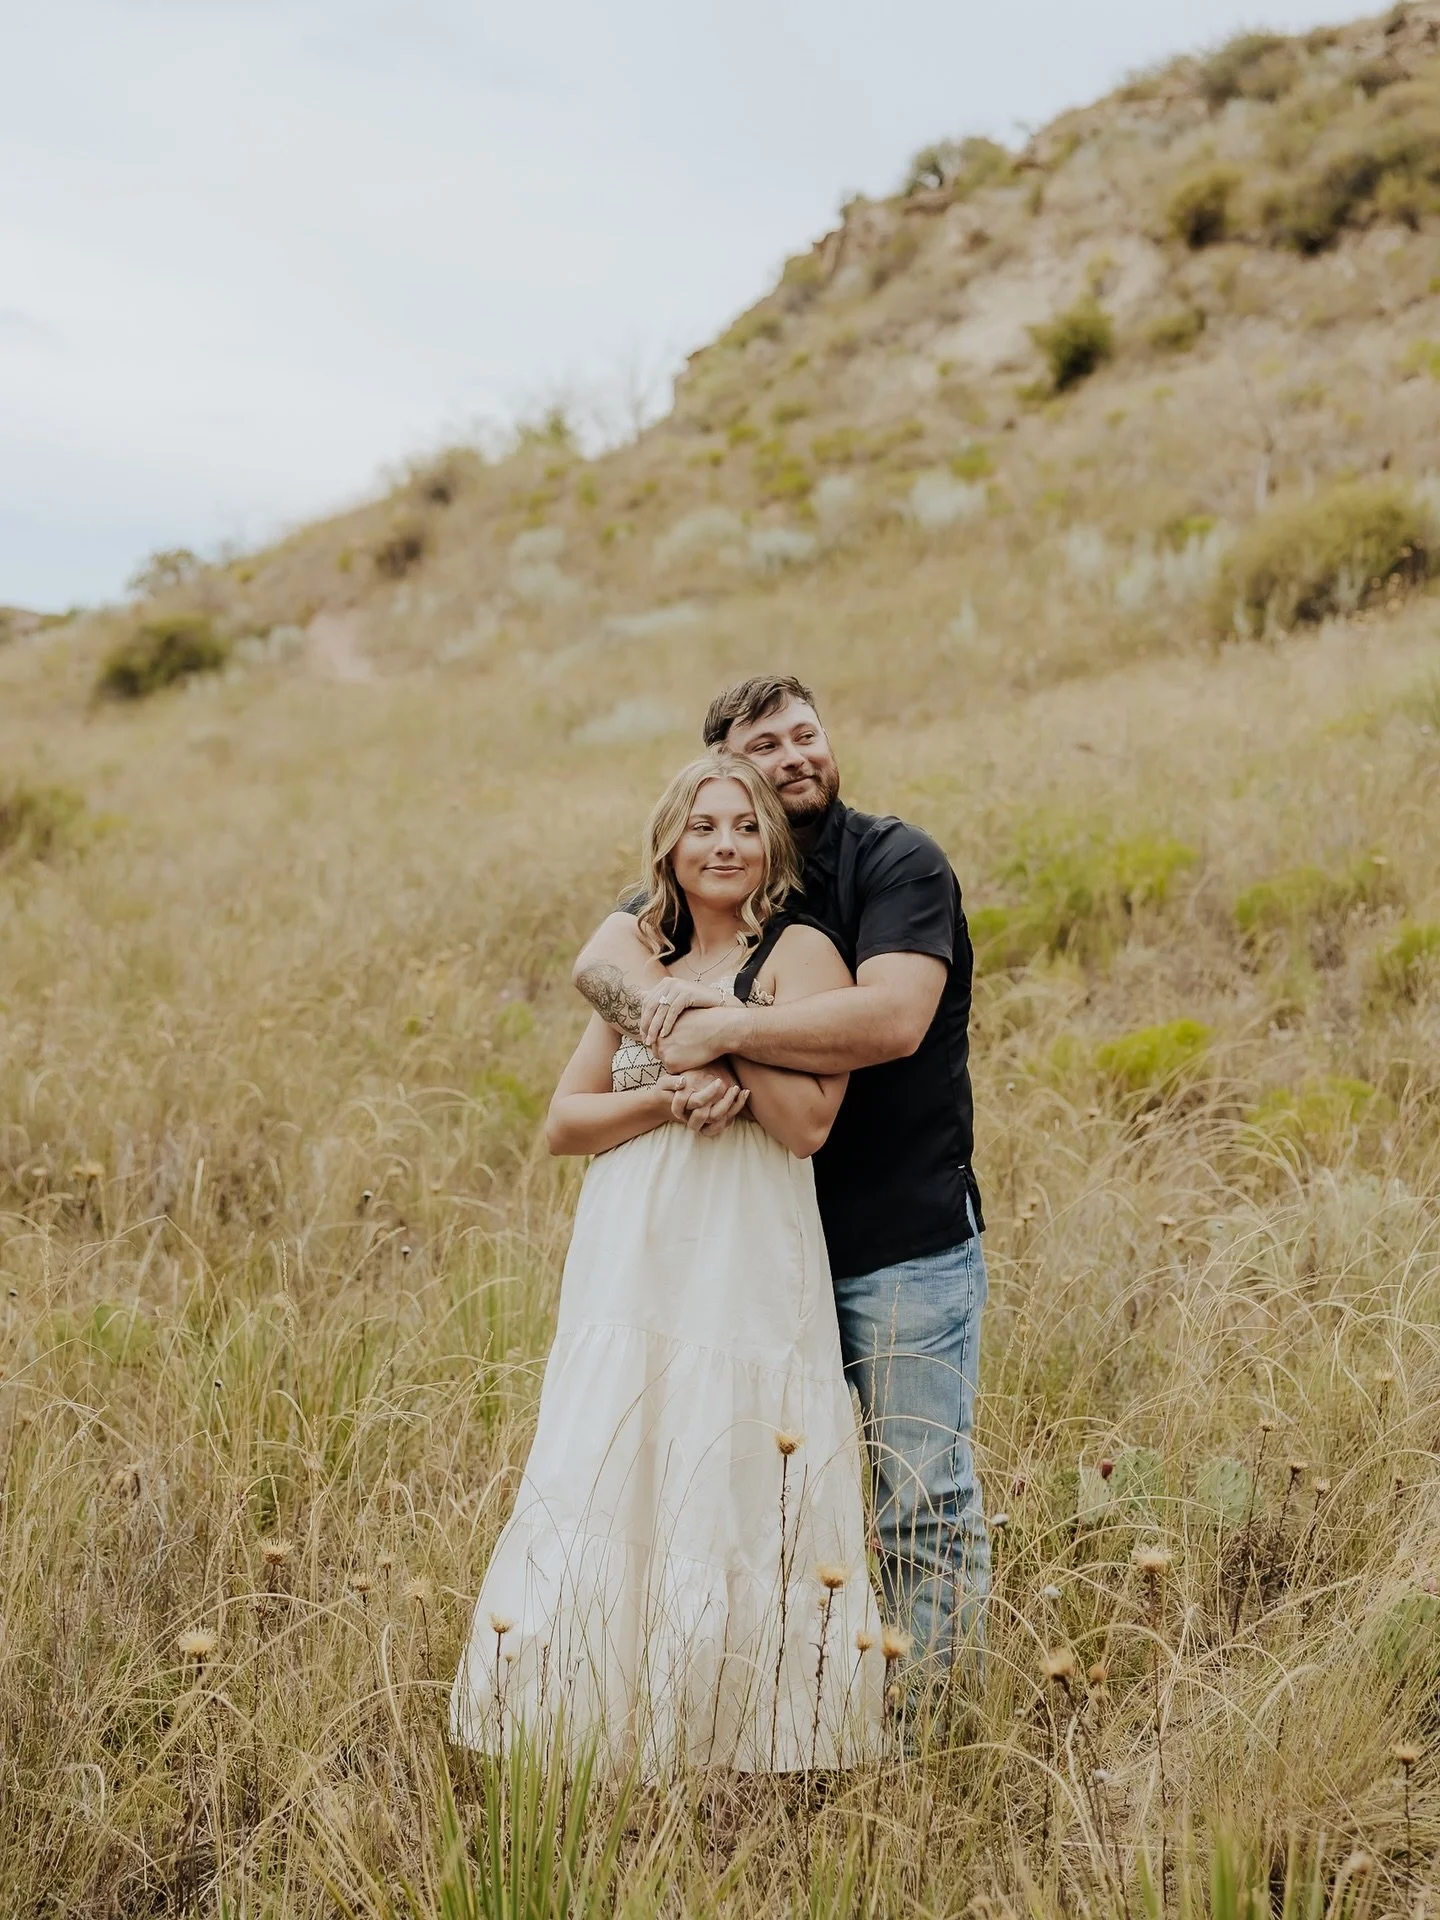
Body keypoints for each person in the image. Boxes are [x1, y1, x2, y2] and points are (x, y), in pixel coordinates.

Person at [450, 754, 882, 1773]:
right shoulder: (642, 960)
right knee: (614, 1461)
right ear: (670, 848)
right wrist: (665, 1098)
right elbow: (565, 1122)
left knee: (725, 1460)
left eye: (743, 828)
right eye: (703, 828)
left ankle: (743, 1744)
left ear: (770, 847)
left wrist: (732, 1057)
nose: (723, 844)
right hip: (631, 1252)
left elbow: (811, 1121)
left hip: (742, 1250)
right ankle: (596, 1727)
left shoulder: (800, 954)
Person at [572, 676, 988, 1676]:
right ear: (726, 773)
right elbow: (597, 963)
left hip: (899, 1242)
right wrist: (692, 1052)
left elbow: (892, 1020)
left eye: (808, 732)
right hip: (751, 1257)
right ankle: (792, 1706)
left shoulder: (896, 861)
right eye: (769, 744)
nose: (797, 754)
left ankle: (934, 1742)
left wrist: (725, 1034)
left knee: (919, 1500)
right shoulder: (721, 876)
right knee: (767, 1504)